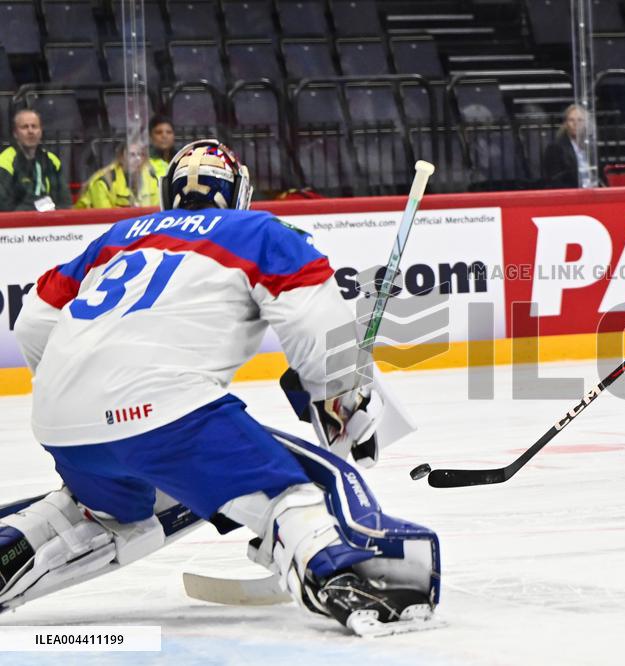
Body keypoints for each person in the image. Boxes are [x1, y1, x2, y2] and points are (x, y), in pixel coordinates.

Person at [0, 140, 440, 636]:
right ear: (238, 192)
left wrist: (79, 386)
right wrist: (342, 404)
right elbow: (318, 329)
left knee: (107, 516)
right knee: (289, 489)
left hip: (63, 423)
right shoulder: (260, 231)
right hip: (166, 411)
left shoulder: (119, 236)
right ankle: (348, 572)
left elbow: (34, 322)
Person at [0, 109, 72, 212]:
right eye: (25, 127)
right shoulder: (4, 161)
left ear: (40, 131)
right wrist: (37, 208)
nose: (30, 131)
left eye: (34, 126)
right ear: (15, 133)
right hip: (18, 224)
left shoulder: (52, 160)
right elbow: (3, 204)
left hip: (52, 222)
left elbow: (66, 202)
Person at [74, 141, 160, 209]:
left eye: (141, 155)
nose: (137, 159)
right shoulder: (103, 181)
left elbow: (156, 208)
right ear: (121, 157)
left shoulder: (151, 179)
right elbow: (104, 216)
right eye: (132, 155)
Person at [542, 104, 596, 188]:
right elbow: (554, 180)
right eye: (571, 120)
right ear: (566, 124)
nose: (575, 124)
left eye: (580, 120)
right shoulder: (555, 148)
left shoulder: (590, 146)